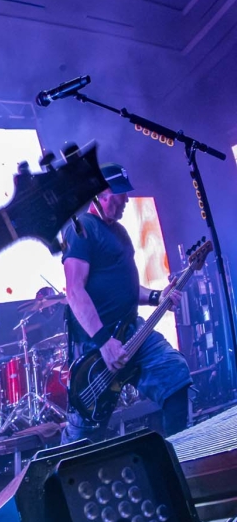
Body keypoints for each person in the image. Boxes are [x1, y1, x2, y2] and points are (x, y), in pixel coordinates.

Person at [61, 163, 190, 444]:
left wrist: (157, 297)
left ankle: (179, 456)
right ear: (100, 193)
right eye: (119, 193)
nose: (126, 200)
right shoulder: (81, 229)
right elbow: (74, 290)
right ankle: (58, 470)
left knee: (174, 373)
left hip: (132, 331)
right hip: (96, 346)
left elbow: (127, 288)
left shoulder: (119, 232)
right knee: (85, 434)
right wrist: (104, 341)